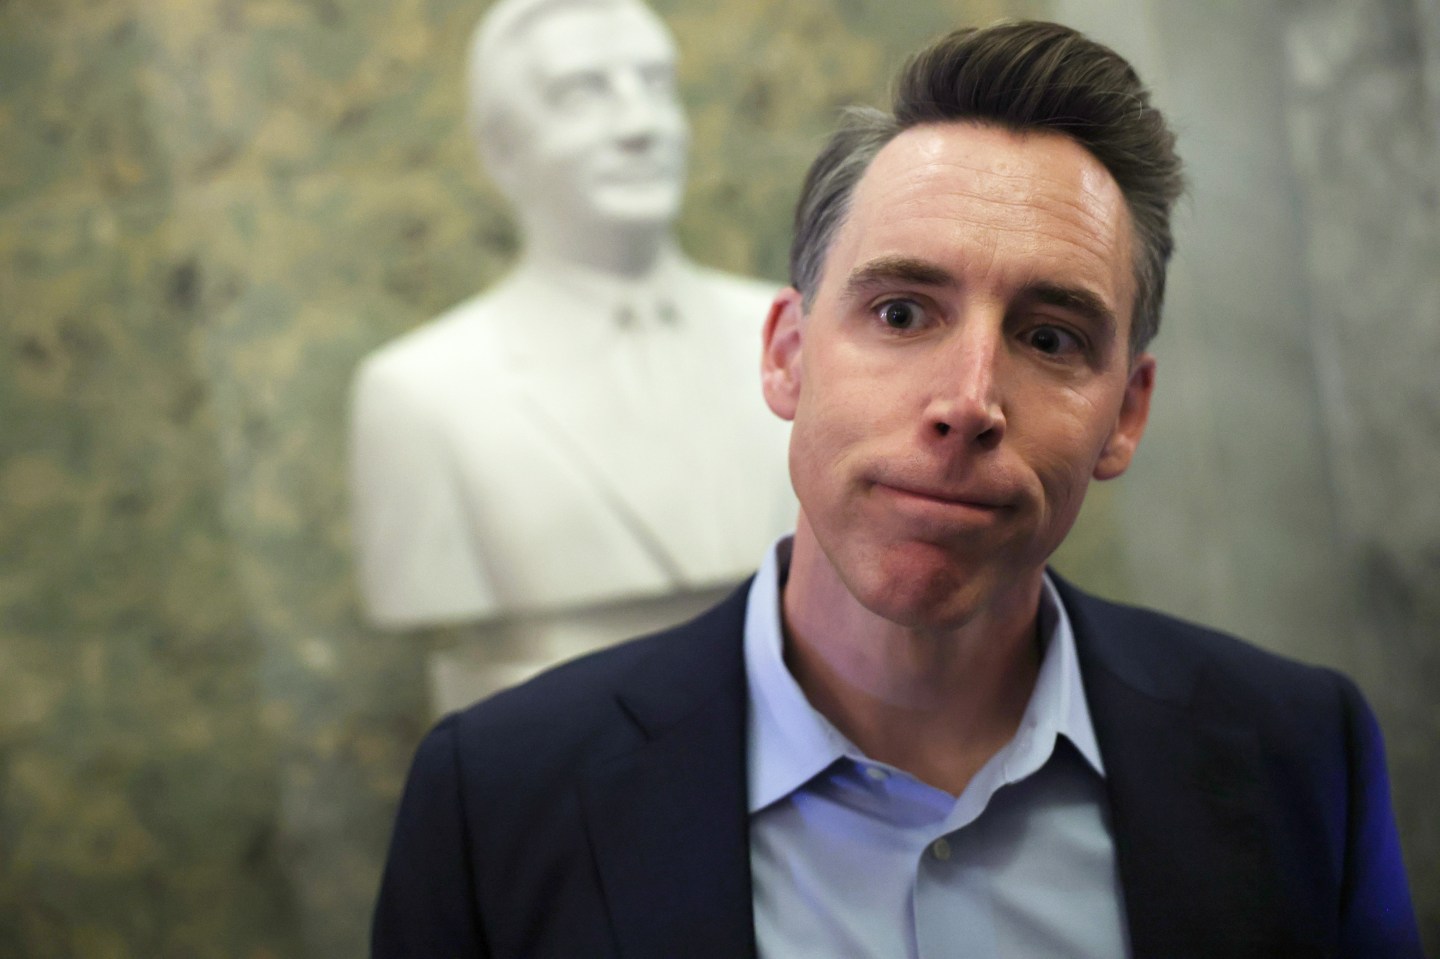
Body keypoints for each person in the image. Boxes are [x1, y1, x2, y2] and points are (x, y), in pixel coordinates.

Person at [372, 20, 1423, 958]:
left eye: (1050, 337)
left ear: (1127, 414)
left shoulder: (1298, 750)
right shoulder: (495, 797)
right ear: (786, 353)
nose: (969, 401)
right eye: (903, 314)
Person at [348, 0, 793, 700]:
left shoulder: (798, 334)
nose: (640, 126)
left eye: (654, 85)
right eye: (583, 94)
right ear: (500, 147)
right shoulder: (418, 394)